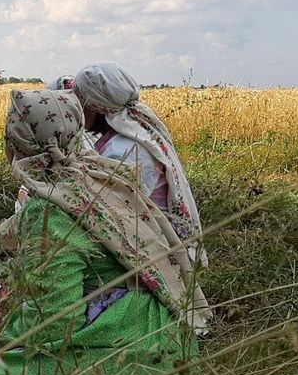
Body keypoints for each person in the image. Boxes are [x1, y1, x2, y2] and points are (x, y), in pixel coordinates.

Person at [0, 88, 209, 375]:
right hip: (166, 339)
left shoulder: (47, 211)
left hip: (128, 347)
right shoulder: (94, 176)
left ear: (16, 144)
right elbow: (10, 233)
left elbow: (54, 320)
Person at [72, 62, 207, 264]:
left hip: (152, 251)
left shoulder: (124, 152)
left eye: (79, 102)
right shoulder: (136, 135)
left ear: (95, 107)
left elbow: (112, 216)